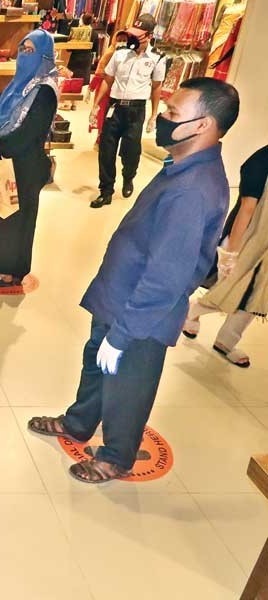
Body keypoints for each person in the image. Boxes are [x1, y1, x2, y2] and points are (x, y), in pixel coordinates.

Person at [28, 78, 240, 483]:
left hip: (141, 315)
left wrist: (124, 334)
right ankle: (78, 422)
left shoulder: (193, 191)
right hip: (119, 297)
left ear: (202, 125)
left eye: (173, 114)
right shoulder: (181, 165)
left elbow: (166, 277)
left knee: (128, 386)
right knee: (96, 366)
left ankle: (115, 457)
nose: (161, 117)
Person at [0, 30, 59, 287]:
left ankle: (10, 270)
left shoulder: (44, 90)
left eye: (31, 51)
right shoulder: (17, 86)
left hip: (25, 164)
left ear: (45, 55)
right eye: (22, 49)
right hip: (4, 159)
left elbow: (31, 131)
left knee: (16, 219)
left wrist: (0, 145)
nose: (25, 55)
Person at [184, 144, 268, 368]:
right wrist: (232, 252)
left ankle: (226, 341)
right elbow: (247, 209)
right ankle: (191, 312)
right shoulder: (261, 161)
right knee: (231, 288)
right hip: (246, 238)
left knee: (257, 296)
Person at [89, 14, 166, 209]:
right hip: (114, 107)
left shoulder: (157, 58)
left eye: (138, 35)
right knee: (106, 151)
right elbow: (108, 79)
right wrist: (96, 105)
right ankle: (105, 190)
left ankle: (128, 177)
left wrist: (153, 115)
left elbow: (157, 86)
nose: (132, 38)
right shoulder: (120, 54)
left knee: (131, 151)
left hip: (136, 110)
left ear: (148, 36)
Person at [88, 30, 128, 148]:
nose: (121, 43)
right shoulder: (109, 53)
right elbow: (100, 73)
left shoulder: (130, 55)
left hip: (120, 91)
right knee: (103, 115)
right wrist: (91, 88)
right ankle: (100, 139)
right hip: (105, 89)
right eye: (119, 40)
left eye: (124, 41)